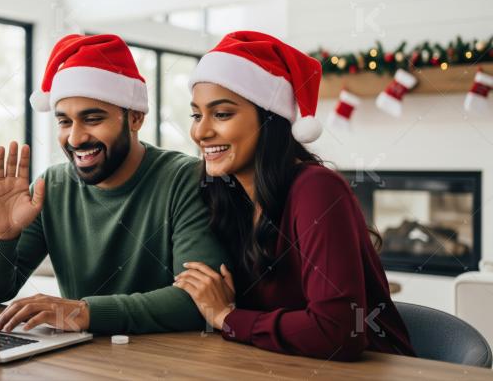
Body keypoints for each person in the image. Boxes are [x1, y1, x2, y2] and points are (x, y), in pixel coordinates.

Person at [173, 31, 415, 361]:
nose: (200, 132)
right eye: (196, 115)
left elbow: (340, 331)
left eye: (222, 114)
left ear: (270, 120)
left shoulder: (316, 189)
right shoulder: (228, 197)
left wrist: (226, 317)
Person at [0, 34, 226, 335]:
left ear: (135, 118)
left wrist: (85, 313)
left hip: (169, 360)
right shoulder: (52, 185)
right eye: (64, 122)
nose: (75, 138)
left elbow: (199, 302)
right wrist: (1, 236)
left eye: (92, 119)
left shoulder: (186, 179)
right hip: (80, 358)